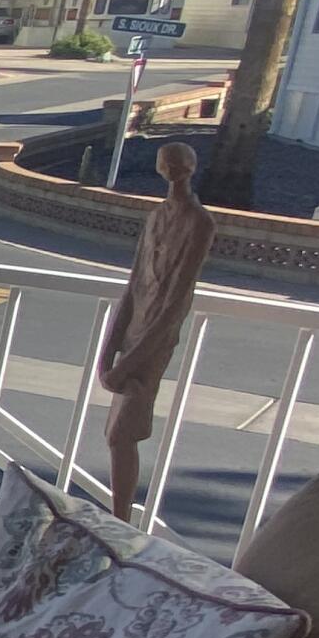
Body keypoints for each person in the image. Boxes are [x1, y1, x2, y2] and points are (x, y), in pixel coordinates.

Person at [100, 140, 217, 520]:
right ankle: (118, 520)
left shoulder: (199, 223)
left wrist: (126, 364)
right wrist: (107, 353)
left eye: (181, 164)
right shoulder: (155, 217)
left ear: (191, 167)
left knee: (123, 434)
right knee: (115, 433)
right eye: (169, 164)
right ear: (161, 169)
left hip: (154, 343)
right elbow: (133, 286)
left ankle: (121, 522)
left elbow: (174, 306)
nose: (175, 171)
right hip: (133, 331)